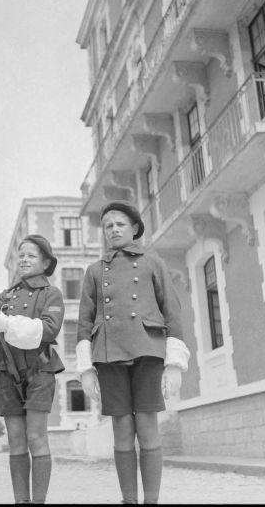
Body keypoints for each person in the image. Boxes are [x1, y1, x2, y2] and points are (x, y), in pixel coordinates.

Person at [76, 201, 190, 505]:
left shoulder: (153, 263)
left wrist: (175, 363)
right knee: (122, 426)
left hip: (148, 351)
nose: (113, 229)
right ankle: (129, 500)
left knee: (147, 425)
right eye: (108, 226)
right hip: (109, 354)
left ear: (134, 228)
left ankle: (151, 500)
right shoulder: (94, 270)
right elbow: (85, 320)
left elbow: (172, 312)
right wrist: (86, 369)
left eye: (120, 224)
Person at [0, 234, 64, 504]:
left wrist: (8, 324)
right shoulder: (7, 295)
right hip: (8, 370)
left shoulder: (51, 293)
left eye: (31, 255)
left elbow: (49, 329)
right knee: (15, 438)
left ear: (46, 262)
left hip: (40, 369)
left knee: (36, 436)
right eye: (21, 255)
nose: (24, 259)